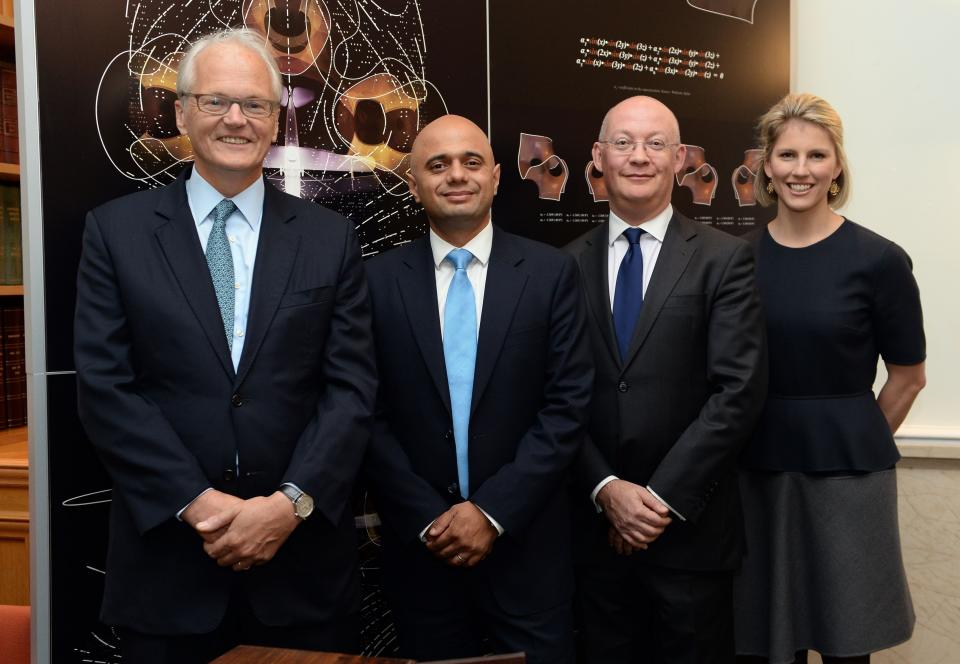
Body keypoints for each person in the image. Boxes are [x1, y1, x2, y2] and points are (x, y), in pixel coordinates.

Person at [74, 29, 376, 663]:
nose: (235, 119)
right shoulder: (116, 232)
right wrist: (198, 503)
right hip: (168, 572)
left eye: (255, 104)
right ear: (182, 112)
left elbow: (349, 390)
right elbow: (106, 388)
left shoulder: (330, 239)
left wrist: (288, 505)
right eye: (215, 102)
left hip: (302, 574)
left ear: (276, 121)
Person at [364, 115, 592, 664]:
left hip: (528, 549)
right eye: (436, 165)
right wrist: (429, 519)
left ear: (494, 177)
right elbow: (363, 412)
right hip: (424, 552)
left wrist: (491, 511)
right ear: (413, 184)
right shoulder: (374, 281)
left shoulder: (550, 273)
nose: (456, 176)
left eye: (470, 162)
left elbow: (566, 407)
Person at [567, 95, 768, 663]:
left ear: (680, 159)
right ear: (597, 156)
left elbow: (738, 391)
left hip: (690, 535)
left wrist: (655, 501)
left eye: (656, 144)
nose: (639, 156)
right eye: (624, 142)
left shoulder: (724, 260)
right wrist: (607, 489)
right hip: (593, 535)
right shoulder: (563, 265)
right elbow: (555, 396)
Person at [733, 93, 926, 664]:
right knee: (765, 643)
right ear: (765, 164)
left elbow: (908, 377)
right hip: (755, 473)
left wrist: (856, 437)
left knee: (847, 643)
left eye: (816, 155)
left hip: (849, 476)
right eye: (787, 155)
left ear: (837, 165)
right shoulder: (736, 261)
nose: (801, 170)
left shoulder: (879, 260)